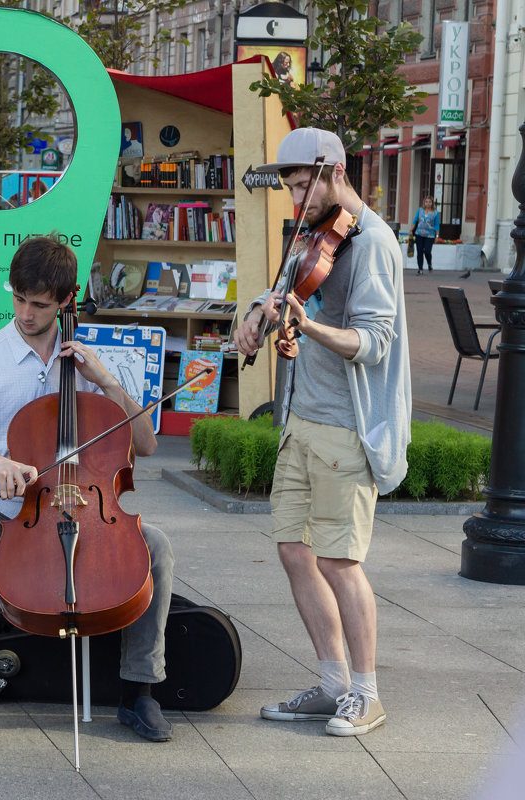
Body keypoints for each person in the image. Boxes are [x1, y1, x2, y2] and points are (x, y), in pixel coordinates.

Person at [0, 233, 175, 747]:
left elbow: (146, 444)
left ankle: (140, 692)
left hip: (78, 503)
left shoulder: (88, 363)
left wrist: (107, 382)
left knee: (156, 548)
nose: (26, 313)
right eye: (19, 299)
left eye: (40, 305)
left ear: (66, 301)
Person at [234, 127, 411, 737]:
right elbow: (287, 287)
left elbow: (372, 341)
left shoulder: (374, 244)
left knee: (340, 561)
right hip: (299, 423)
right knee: (293, 551)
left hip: (345, 426)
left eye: (305, 186)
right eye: (291, 188)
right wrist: (258, 314)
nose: (298, 201)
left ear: (336, 172)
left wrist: (307, 328)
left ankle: (367, 694)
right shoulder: (313, 233)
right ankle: (333, 685)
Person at [410, 195, 440, 274]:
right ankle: (420, 269)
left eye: (430, 202)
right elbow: (415, 220)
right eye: (426, 202)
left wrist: (437, 236)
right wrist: (411, 230)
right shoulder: (420, 210)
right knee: (419, 251)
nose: (428, 203)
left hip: (430, 235)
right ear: (424, 202)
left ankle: (429, 264)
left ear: (432, 203)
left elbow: (437, 225)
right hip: (419, 233)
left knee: (427, 251)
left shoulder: (436, 213)